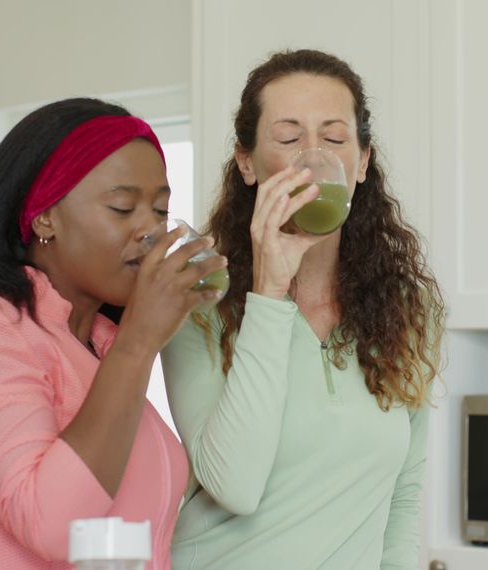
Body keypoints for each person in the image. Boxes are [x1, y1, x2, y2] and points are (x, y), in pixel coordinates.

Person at [0, 97, 226, 569]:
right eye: (123, 207)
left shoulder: (101, 345)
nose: (150, 229)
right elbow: (55, 526)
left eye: (160, 209)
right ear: (45, 215)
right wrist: (139, 341)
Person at [161, 49, 446, 569]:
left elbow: (403, 496)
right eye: (289, 139)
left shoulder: (406, 307)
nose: (312, 158)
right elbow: (235, 486)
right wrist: (269, 291)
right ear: (247, 162)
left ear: (361, 163)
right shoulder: (199, 300)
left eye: (335, 140)